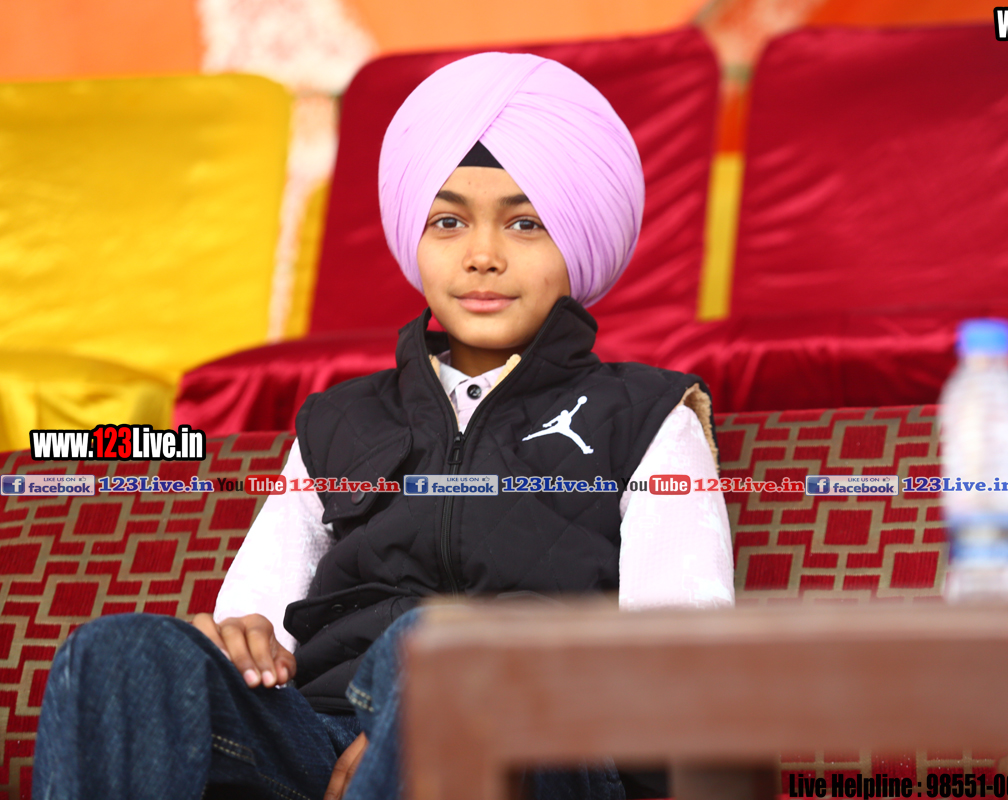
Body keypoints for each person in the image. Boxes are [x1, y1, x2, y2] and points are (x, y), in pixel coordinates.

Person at [32, 51, 734, 800]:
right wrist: (245, 643)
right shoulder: (340, 421)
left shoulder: (647, 417)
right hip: (323, 743)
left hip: (536, 742)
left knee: (438, 643)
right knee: (119, 651)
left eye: (525, 223)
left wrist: (423, 702)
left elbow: (677, 668)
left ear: (581, 233)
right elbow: (254, 627)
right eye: (448, 221)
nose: (483, 256)